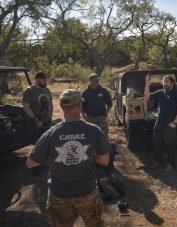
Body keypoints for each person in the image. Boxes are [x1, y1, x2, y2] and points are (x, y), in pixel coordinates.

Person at [26, 89, 110, 227]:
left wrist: (52, 158)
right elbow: (104, 160)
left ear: (60, 106)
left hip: (59, 194)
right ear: (81, 106)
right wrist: (88, 156)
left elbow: (30, 163)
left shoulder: (51, 134)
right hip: (87, 191)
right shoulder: (95, 130)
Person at [144, 74, 177, 172]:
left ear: (172, 83)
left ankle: (170, 164)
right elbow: (147, 97)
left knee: (170, 145)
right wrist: (147, 84)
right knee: (156, 143)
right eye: (163, 81)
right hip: (159, 123)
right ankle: (157, 161)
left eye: (167, 81)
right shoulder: (160, 92)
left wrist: (174, 123)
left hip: (170, 124)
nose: (164, 83)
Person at [23, 71, 53, 141]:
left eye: (46, 79)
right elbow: (26, 107)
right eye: (43, 80)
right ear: (37, 80)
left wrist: (50, 115)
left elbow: (50, 103)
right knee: (37, 142)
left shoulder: (47, 90)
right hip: (35, 122)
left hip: (46, 120)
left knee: (47, 140)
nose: (45, 81)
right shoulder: (29, 91)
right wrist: (36, 120)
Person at [82, 73, 112, 139]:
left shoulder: (103, 91)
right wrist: (84, 116)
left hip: (101, 118)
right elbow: (82, 106)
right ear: (90, 81)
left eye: (98, 80)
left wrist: (105, 114)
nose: (97, 81)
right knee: (90, 137)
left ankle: (105, 149)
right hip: (90, 118)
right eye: (95, 80)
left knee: (104, 136)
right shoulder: (85, 93)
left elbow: (109, 103)